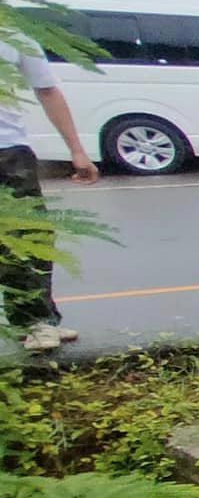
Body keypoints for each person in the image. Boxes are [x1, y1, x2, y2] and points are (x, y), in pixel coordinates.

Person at [1, 31, 100, 353]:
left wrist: (77, 150)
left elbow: (47, 90)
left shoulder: (15, 34)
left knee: (30, 238)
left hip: (8, 151)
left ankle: (35, 321)